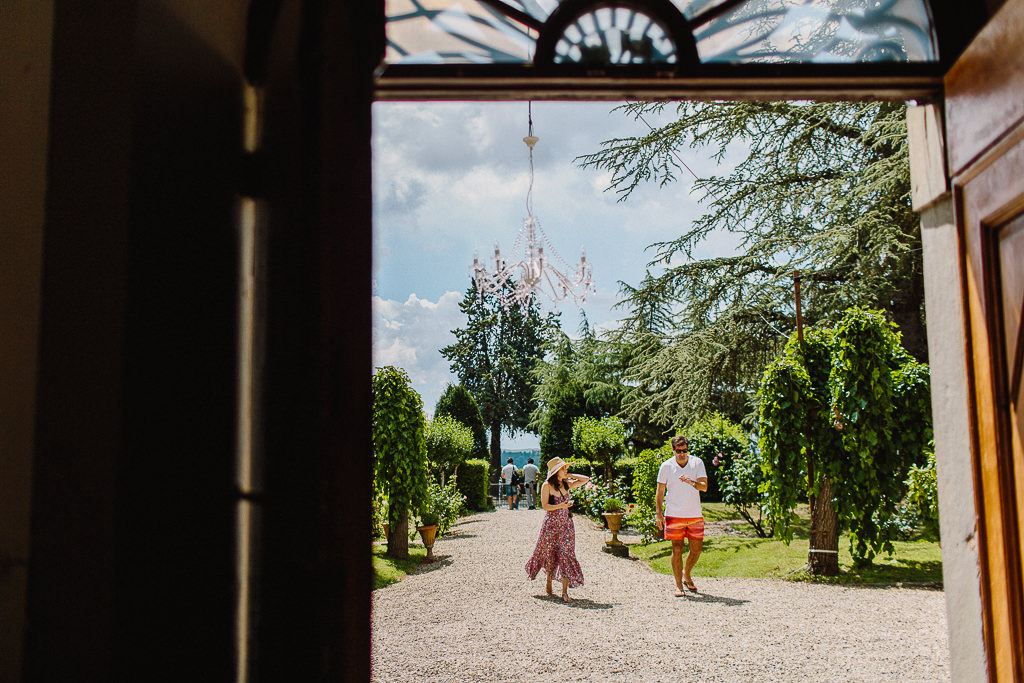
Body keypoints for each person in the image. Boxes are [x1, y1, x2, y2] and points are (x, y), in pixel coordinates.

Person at [525, 457, 590, 602]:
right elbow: (545, 506)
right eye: (563, 468)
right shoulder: (546, 485)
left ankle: (565, 592)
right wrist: (561, 506)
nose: (565, 470)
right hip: (551, 525)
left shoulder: (566, 484)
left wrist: (570, 475)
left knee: (566, 554)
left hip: (566, 524)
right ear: (555, 472)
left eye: (565, 468)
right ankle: (548, 580)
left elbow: (585, 479)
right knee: (550, 553)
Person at [655, 435, 708, 596]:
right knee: (677, 549)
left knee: (696, 550)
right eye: (679, 451)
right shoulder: (666, 466)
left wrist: (691, 482)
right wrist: (659, 513)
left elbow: (704, 487)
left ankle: (687, 573)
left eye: (685, 450)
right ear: (673, 450)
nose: (682, 454)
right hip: (674, 513)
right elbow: (660, 491)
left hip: (694, 514)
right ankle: (679, 585)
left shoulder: (697, 463)